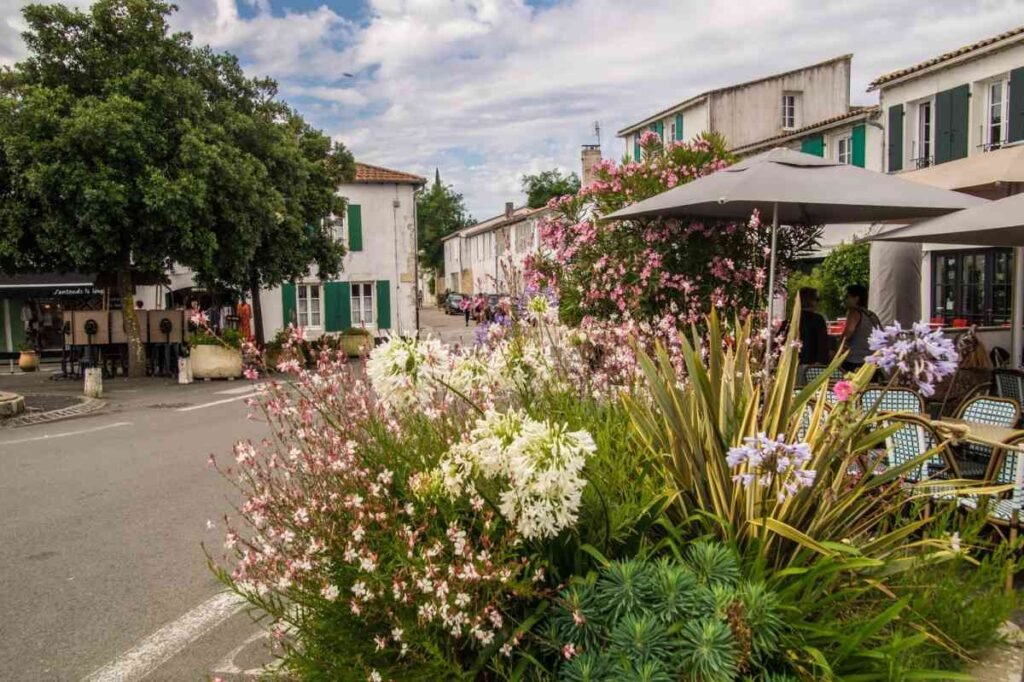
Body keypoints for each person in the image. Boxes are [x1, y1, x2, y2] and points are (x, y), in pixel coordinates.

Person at [841, 284, 880, 372]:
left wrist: (839, 344)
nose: (845, 299)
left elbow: (848, 333)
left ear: (856, 298)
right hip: (872, 361)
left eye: (847, 296)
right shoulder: (872, 315)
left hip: (855, 361)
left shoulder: (854, 313)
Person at [797, 287, 829, 365]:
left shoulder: (790, 320)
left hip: (793, 363)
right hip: (811, 364)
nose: (818, 303)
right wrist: (821, 362)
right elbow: (823, 344)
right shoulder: (818, 319)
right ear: (812, 301)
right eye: (817, 299)